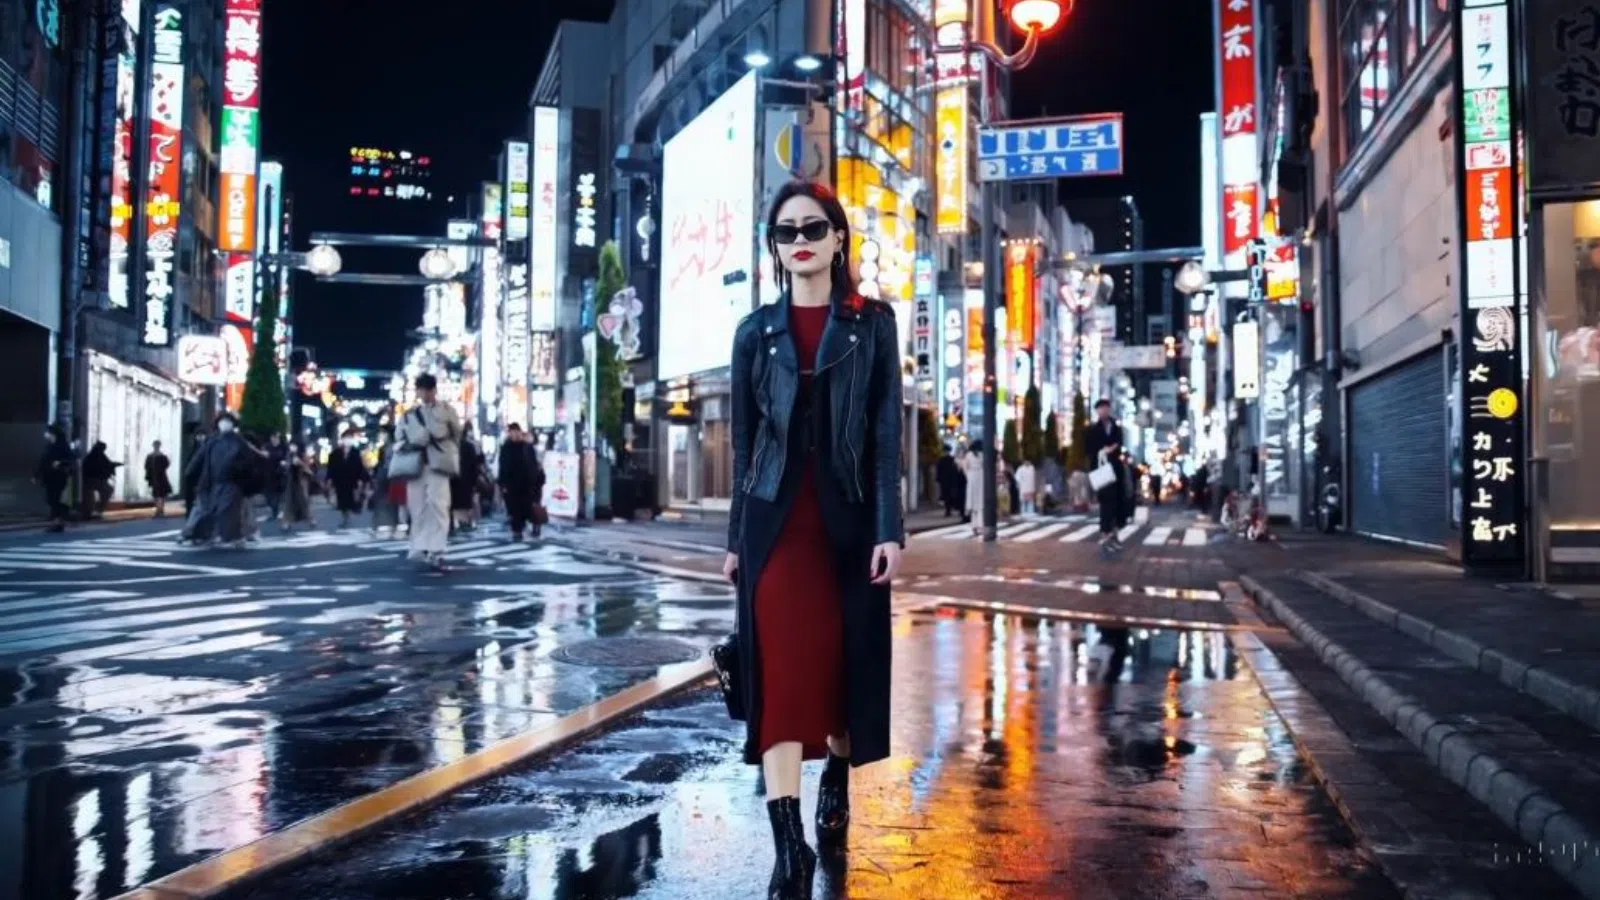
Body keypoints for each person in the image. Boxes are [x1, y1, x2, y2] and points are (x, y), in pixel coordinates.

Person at [723, 180, 903, 899]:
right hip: (774, 526)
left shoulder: (873, 324)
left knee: (844, 673)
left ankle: (838, 775)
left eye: (813, 226)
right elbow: (743, 447)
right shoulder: (752, 332)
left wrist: (889, 527)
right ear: (774, 248)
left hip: (850, 520)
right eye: (785, 230)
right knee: (782, 680)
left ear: (838, 239)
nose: (799, 238)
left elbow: (887, 435)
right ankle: (788, 845)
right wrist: (736, 537)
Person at [398, 373, 461, 569]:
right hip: (416, 463)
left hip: (438, 463)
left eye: (427, 390)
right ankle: (419, 546)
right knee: (417, 507)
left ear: (434, 390)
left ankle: (438, 548)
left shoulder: (447, 410)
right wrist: (414, 440)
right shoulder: (408, 414)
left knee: (439, 504)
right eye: (421, 390)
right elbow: (399, 437)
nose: (424, 394)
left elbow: (456, 434)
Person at [181, 413, 251, 547]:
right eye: (222, 421)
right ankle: (204, 536)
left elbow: (247, 462)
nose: (224, 423)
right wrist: (189, 470)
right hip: (210, 482)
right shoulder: (212, 440)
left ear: (233, 424)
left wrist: (241, 473)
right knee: (208, 510)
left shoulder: (238, 441)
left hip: (231, 481)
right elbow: (199, 456)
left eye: (227, 421)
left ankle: (231, 538)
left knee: (226, 510)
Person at [1083, 399, 1126, 549]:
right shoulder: (1093, 429)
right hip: (1101, 470)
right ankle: (1105, 533)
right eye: (1101, 409)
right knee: (1105, 501)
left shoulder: (1116, 426)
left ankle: (1114, 533)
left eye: (1106, 408)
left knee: (1117, 502)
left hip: (1115, 469)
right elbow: (1088, 448)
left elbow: (1120, 443)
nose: (1104, 411)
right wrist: (1101, 451)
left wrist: (1112, 448)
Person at [497, 424, 545, 541]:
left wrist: (537, 481)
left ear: (520, 432)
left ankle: (534, 525)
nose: (514, 434)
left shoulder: (527, 447)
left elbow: (534, 465)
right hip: (512, 485)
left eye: (516, 431)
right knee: (515, 510)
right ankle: (517, 531)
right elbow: (502, 466)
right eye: (512, 432)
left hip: (528, 485)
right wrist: (502, 483)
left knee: (529, 507)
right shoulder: (506, 448)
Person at [327, 430, 369, 529]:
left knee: (352, 497)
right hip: (340, 479)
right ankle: (345, 516)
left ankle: (353, 509)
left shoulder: (355, 452)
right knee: (342, 499)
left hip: (352, 479)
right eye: (346, 439)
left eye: (350, 439)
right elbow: (331, 467)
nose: (347, 441)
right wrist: (329, 479)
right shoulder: (335, 453)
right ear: (342, 440)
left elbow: (360, 467)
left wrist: (361, 479)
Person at [35, 424, 73, 532]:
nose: (46, 435)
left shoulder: (62, 446)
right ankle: (59, 519)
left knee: (54, 499)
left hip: (59, 476)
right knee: (51, 499)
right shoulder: (49, 446)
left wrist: (60, 463)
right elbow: (43, 462)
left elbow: (70, 459)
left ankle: (57, 522)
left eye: (48, 433)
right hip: (49, 477)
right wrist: (36, 475)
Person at [370, 426, 402, 538]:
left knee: (393, 502)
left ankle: (393, 526)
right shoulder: (383, 448)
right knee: (384, 502)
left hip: (394, 476)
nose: (381, 436)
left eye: (383, 433)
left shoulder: (396, 447)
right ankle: (381, 526)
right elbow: (379, 463)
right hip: (386, 476)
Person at [450, 427, 483, 533]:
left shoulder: (450, 446)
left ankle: (457, 523)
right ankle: (465, 523)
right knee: (465, 504)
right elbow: (475, 466)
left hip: (454, 480)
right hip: (465, 481)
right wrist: (474, 482)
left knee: (455, 504)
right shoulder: (469, 446)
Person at [82, 441, 120, 518]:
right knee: (107, 490)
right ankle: (96, 510)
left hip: (93, 480)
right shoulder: (96, 456)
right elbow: (103, 465)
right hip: (93, 480)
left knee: (105, 491)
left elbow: (106, 464)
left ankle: (95, 510)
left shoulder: (95, 455)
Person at [280, 445, 314, 531]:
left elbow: (309, 467)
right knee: (289, 501)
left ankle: (310, 519)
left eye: (294, 446)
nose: (292, 447)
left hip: (301, 480)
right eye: (291, 446)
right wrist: (286, 464)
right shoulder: (289, 455)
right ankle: (286, 522)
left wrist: (300, 463)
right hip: (291, 480)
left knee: (304, 500)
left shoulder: (303, 455)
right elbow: (287, 466)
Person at [144, 441, 173, 517]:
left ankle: (159, 510)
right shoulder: (162, 456)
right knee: (161, 494)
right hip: (161, 476)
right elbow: (166, 465)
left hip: (155, 477)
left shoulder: (151, 456)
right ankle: (160, 510)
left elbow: (146, 467)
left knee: (157, 494)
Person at [962, 442, 985, 531]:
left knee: (972, 499)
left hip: (971, 475)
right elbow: (984, 466)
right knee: (980, 501)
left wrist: (968, 475)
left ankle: (974, 524)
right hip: (980, 475)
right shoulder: (982, 455)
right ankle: (980, 524)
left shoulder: (968, 455)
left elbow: (965, 467)